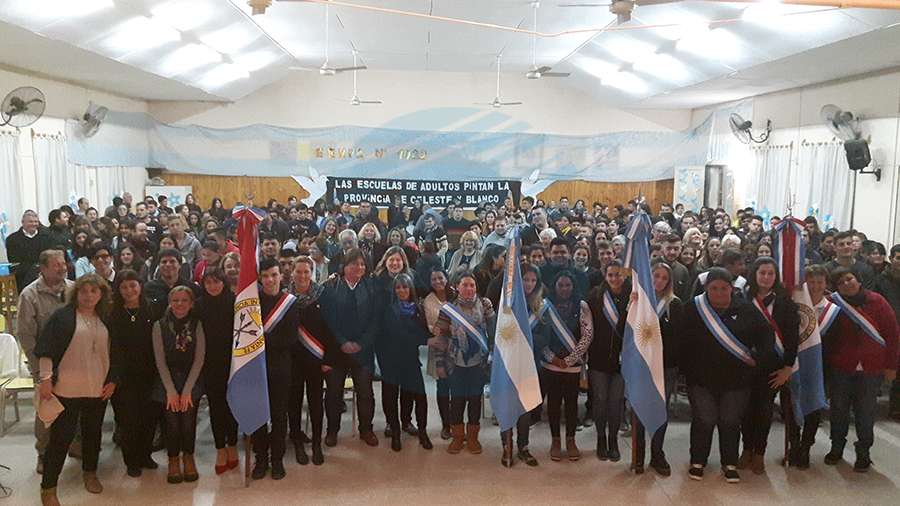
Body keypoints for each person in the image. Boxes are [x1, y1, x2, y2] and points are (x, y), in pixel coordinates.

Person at [681, 268, 774, 484]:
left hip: (737, 380)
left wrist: (758, 360)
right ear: (706, 288)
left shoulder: (746, 309)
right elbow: (682, 341)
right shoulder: (693, 308)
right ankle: (698, 461)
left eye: (724, 288)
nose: (719, 293)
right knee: (704, 419)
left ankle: (729, 463)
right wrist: (687, 371)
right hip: (701, 379)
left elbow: (766, 337)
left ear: (732, 288)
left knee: (730, 420)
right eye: (714, 288)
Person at [36, 274, 120, 506]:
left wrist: (113, 380)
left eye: (94, 291)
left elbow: (117, 353)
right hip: (67, 388)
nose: (88, 296)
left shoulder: (106, 318)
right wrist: (45, 379)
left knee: (93, 435)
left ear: (101, 294)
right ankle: (48, 488)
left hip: (97, 388)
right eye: (84, 291)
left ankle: (90, 473)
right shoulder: (62, 317)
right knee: (60, 439)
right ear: (76, 293)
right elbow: (46, 350)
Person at [822, 267, 899, 472]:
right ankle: (837, 446)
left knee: (866, 413)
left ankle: (863, 451)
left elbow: (892, 335)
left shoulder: (878, 301)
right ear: (836, 288)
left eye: (849, 279)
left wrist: (891, 366)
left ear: (858, 279)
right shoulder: (833, 304)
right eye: (841, 283)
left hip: (871, 368)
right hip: (842, 367)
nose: (847, 284)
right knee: (838, 410)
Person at [738, 257, 799, 474]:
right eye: (762, 273)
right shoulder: (742, 299)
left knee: (764, 410)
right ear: (754, 274)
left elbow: (792, 338)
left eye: (770, 273)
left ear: (776, 276)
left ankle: (759, 452)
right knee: (746, 410)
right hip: (746, 366)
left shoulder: (785, 303)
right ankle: (746, 448)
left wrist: (788, 368)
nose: (766, 277)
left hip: (773, 367)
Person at [16, 249, 73, 474]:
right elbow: (26, 335)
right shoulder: (29, 295)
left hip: (73, 361)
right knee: (46, 411)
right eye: (56, 265)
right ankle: (44, 453)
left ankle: (74, 445)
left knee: (74, 407)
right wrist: (39, 370)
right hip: (44, 363)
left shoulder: (73, 289)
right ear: (43, 268)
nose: (62, 268)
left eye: (63, 263)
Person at [322, 249, 380, 447]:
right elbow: (328, 320)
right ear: (344, 266)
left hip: (363, 351)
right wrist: (342, 342)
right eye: (354, 263)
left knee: (365, 393)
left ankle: (366, 430)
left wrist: (361, 343)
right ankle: (332, 431)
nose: (359, 267)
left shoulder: (371, 287)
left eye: (362, 264)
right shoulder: (331, 287)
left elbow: (375, 321)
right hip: (336, 350)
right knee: (333, 394)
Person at [433, 271, 495, 455]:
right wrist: (439, 364)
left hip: (479, 363)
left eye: (472, 285)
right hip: (455, 363)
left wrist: (493, 358)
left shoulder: (485, 305)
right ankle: (458, 437)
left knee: (475, 400)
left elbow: (493, 333)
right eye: (465, 285)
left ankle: (473, 438)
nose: (469, 288)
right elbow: (440, 339)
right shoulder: (448, 309)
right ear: (457, 287)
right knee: (457, 401)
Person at [535, 270, 593, 462]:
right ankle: (555, 441)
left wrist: (569, 360)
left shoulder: (582, 306)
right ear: (555, 286)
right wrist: (552, 358)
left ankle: (571, 440)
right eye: (561, 285)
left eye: (568, 285)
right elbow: (539, 335)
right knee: (553, 403)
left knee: (571, 404)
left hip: (572, 365)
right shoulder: (544, 306)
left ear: (574, 286)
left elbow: (587, 335)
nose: (564, 289)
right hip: (550, 364)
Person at [632, 260, 683, 476]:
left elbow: (678, 339)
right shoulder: (638, 300)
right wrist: (631, 306)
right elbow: (624, 331)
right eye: (656, 276)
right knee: (639, 410)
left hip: (665, 367)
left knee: (659, 412)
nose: (659, 281)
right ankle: (638, 454)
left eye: (664, 278)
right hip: (641, 366)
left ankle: (657, 454)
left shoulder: (674, 304)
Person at [251, 258, 300, 480]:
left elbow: (290, 338)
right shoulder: (252, 302)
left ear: (281, 276)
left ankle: (277, 459)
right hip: (256, 367)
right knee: (258, 415)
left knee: (279, 415)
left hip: (280, 367)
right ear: (260, 278)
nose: (270, 280)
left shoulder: (289, 303)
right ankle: (261, 458)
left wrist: (263, 340)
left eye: (273, 275)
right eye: (265, 276)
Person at [152, 286, 205, 484]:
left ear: (191, 304)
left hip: (191, 379)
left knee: (189, 421)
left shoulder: (197, 324)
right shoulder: (159, 326)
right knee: (172, 423)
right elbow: (160, 361)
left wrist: (188, 390)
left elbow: (199, 358)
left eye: (184, 300)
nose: (180, 304)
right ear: (169, 303)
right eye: (175, 300)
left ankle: (188, 457)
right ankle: (173, 459)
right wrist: (171, 391)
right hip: (167, 381)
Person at [109, 270, 158, 477]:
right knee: (128, 419)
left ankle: (146, 455)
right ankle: (131, 460)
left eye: (133, 286)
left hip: (150, 373)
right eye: (124, 287)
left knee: (149, 417)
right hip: (123, 376)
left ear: (140, 286)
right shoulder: (112, 313)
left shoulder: (152, 309)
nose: (129, 290)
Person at [377, 273, 432, 451]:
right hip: (391, 360)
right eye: (398, 287)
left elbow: (424, 331)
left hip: (411, 360)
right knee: (391, 397)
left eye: (405, 287)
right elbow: (397, 334)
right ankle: (395, 431)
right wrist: (423, 339)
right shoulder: (388, 309)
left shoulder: (418, 309)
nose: (401, 290)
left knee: (419, 397)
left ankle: (422, 431)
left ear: (411, 289)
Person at [288, 256, 335, 466]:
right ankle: (297, 441)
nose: (302, 276)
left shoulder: (322, 296)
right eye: (298, 272)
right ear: (292, 273)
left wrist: (328, 359)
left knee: (316, 403)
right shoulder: (285, 298)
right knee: (294, 403)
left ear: (312, 273)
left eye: (306, 271)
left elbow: (330, 329)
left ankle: (316, 443)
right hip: (292, 361)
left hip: (316, 360)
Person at [500, 263, 543, 468]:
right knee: (507, 405)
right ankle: (506, 445)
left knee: (525, 408)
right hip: (508, 362)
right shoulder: (506, 304)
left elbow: (545, 337)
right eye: (526, 279)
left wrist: (525, 340)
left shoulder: (541, 306)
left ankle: (523, 446)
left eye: (534, 280)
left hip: (530, 363)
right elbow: (500, 333)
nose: (529, 284)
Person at [196, 267, 239, 474]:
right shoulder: (199, 305)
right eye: (208, 283)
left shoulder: (235, 302)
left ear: (224, 282)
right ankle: (220, 448)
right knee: (216, 407)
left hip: (233, 363)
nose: (213, 286)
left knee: (232, 406)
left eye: (217, 282)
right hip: (210, 364)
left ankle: (232, 445)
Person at [586, 260, 630, 462]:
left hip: (623, 359)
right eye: (610, 274)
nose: (614, 278)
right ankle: (601, 438)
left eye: (618, 274)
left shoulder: (632, 296)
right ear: (605, 275)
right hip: (598, 358)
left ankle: (613, 439)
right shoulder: (595, 296)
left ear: (624, 275)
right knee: (600, 400)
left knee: (616, 401)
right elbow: (587, 327)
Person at [423, 268, 454, 440]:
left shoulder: (455, 295)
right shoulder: (428, 301)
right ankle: (446, 425)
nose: (437, 281)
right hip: (439, 346)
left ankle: (457, 424)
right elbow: (430, 325)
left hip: (457, 348)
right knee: (443, 386)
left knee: (457, 387)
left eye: (440, 278)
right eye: (433, 279)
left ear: (446, 279)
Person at [6, 210, 50, 292]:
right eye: (30, 222)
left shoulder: (46, 237)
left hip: (44, 276)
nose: (34, 224)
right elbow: (14, 261)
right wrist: (33, 271)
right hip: (22, 278)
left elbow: (49, 257)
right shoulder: (12, 239)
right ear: (23, 222)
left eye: (36, 222)